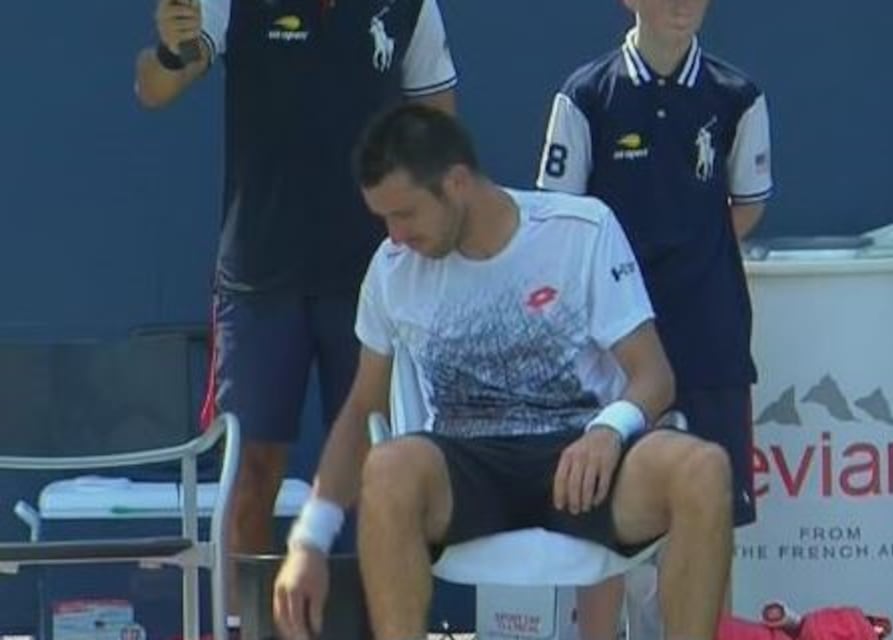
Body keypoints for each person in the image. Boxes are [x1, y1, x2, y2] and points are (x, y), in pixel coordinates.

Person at [273, 103, 734, 640]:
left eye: (406, 214)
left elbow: (654, 375)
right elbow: (361, 410)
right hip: (465, 469)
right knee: (389, 466)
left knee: (704, 469)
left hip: (582, 462)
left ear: (457, 183)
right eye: (384, 219)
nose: (395, 235)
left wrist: (609, 430)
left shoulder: (582, 230)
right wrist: (309, 541)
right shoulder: (391, 269)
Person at [133, 0, 457, 626]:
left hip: (374, 282)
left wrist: (438, 226)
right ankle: (245, 628)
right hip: (259, 279)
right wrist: (172, 51)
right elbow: (155, 87)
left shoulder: (413, 7)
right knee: (250, 474)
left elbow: (437, 123)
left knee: (381, 472)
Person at [536, 0, 774, 636]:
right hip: (613, 346)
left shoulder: (738, 96)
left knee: (713, 517)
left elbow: (747, 205)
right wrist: (617, 287)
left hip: (710, 339)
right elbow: (560, 220)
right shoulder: (586, 95)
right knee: (596, 516)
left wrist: (693, 253)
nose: (681, 4)